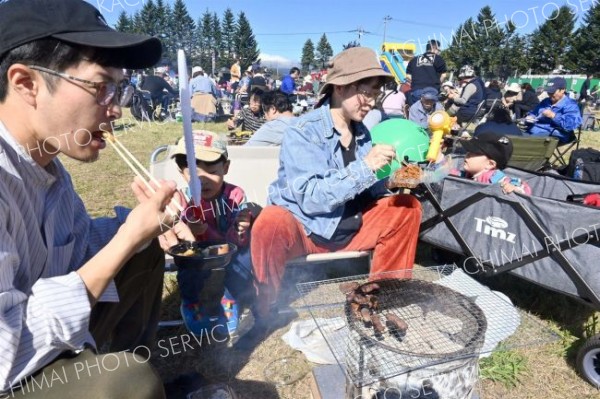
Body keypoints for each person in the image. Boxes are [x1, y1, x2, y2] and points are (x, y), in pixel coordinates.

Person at [0, 0, 187, 397]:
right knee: (126, 382)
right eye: (100, 87)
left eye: (118, 88)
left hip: (45, 346)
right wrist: (124, 239)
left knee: (143, 249)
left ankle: (121, 365)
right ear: (26, 83)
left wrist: (138, 228)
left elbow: (80, 245)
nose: (116, 109)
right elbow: (4, 350)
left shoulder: (49, 169)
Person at [249, 47, 422, 330]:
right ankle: (265, 305)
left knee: (406, 209)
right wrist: (366, 166)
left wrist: (392, 182)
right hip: (305, 229)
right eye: (366, 92)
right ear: (341, 87)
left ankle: (383, 298)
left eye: (375, 94)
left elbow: (368, 190)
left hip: (350, 226)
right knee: (270, 220)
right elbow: (312, 199)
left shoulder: (362, 132)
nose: (371, 102)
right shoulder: (303, 130)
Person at [167, 131, 255, 338]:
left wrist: (241, 228)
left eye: (212, 171)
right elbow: (177, 239)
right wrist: (188, 231)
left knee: (244, 260)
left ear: (225, 168)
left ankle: (230, 297)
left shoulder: (235, 196)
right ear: (182, 173)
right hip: (196, 252)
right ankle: (190, 302)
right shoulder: (181, 200)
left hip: (227, 248)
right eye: (193, 174)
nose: (202, 181)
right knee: (189, 269)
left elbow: (237, 239)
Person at [452, 133, 531, 194]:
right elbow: (450, 173)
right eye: (468, 151)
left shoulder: (495, 178)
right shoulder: (467, 174)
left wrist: (514, 188)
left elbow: (524, 188)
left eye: (474, 153)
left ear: (490, 164)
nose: (467, 155)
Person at [523, 77, 582, 143]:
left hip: (556, 134)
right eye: (548, 92)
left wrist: (553, 116)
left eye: (552, 92)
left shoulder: (571, 105)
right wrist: (530, 117)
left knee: (527, 142)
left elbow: (569, 125)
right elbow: (534, 113)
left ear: (562, 90)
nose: (550, 94)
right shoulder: (545, 101)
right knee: (515, 136)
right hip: (535, 130)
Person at [405, 39, 447, 105]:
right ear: (434, 48)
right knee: (431, 113)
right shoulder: (438, 58)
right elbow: (444, 75)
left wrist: (416, 82)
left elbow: (408, 76)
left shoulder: (414, 59)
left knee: (417, 112)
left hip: (416, 90)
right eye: (439, 50)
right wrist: (438, 83)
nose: (439, 52)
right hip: (432, 90)